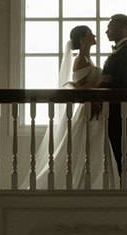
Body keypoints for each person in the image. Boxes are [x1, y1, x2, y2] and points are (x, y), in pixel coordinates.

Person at [35, 25, 103, 186]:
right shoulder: (79, 60)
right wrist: (99, 81)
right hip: (86, 109)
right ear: (82, 39)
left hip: (95, 108)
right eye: (90, 34)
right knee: (80, 146)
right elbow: (80, 89)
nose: (94, 36)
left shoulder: (87, 60)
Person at [100, 13, 127, 189]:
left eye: (110, 27)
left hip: (122, 111)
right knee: (119, 149)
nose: (106, 31)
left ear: (123, 28)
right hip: (114, 111)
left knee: (126, 149)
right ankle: (126, 186)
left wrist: (107, 80)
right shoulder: (120, 52)